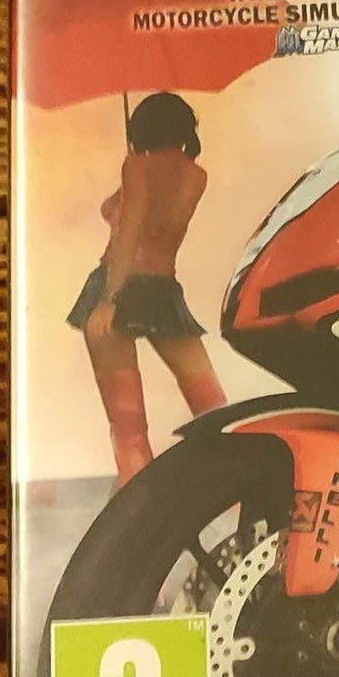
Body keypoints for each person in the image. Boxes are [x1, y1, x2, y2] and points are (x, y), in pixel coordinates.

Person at [67, 92, 227, 484]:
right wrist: (132, 179)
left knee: (128, 425)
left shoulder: (137, 167)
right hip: (161, 291)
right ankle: (234, 478)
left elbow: (131, 233)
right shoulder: (196, 175)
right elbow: (137, 216)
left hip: (117, 282)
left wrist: (109, 299)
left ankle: (134, 501)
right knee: (213, 406)